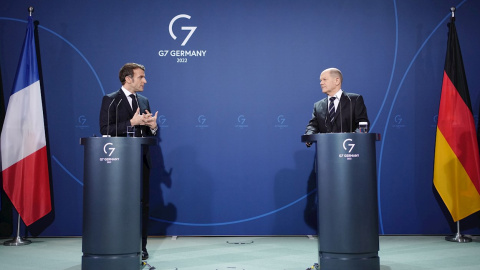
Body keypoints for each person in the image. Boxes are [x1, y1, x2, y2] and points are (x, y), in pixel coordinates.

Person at [99, 63, 158, 260]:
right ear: (128, 79)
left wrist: (153, 126)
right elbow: (105, 129)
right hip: (118, 164)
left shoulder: (144, 100)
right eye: (141, 77)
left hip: (141, 160)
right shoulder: (111, 100)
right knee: (120, 205)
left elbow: (148, 130)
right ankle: (119, 243)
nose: (145, 81)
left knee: (143, 205)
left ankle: (141, 246)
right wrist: (131, 123)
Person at [305, 67, 369, 146]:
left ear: (337, 80)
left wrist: (354, 139)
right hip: (325, 152)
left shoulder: (354, 100)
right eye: (320, 80)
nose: (321, 83)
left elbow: (362, 124)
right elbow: (313, 125)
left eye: (324, 79)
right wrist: (309, 136)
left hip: (349, 151)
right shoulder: (318, 105)